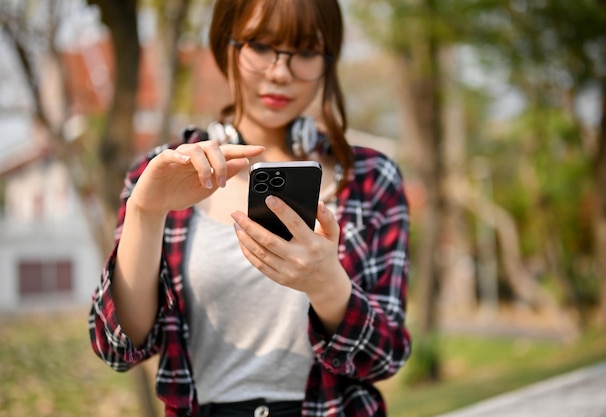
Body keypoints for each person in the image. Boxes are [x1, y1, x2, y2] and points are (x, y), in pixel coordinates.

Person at [88, 0, 411, 416]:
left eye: (306, 52)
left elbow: (386, 358)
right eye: (260, 46)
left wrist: (329, 286)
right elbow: (116, 349)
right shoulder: (162, 174)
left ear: (328, 61)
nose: (280, 73)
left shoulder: (370, 177)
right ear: (226, 46)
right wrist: (146, 213)